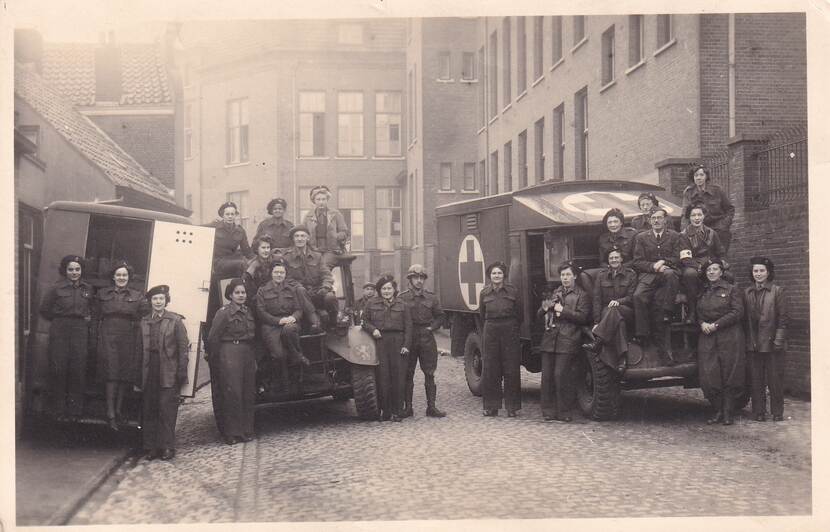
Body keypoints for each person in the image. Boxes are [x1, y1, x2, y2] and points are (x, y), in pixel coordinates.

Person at [39, 255, 95, 420]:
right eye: (70, 269)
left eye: (77, 269)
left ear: (82, 270)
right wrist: (59, 320)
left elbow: (93, 309)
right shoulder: (56, 288)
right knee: (59, 368)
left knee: (77, 369)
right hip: (60, 329)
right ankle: (58, 410)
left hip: (80, 330)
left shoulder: (88, 289)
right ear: (65, 270)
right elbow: (44, 309)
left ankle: (74, 411)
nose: (74, 272)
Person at [137, 285, 189, 460]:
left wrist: (181, 371)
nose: (158, 302)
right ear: (150, 302)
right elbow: (138, 348)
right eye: (155, 299)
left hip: (168, 368)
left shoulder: (175, 321)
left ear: (166, 301)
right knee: (150, 408)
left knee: (166, 409)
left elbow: (183, 348)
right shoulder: (144, 321)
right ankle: (151, 447)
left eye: (161, 299)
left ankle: (167, 447)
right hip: (149, 367)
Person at [631, 208, 692, 350]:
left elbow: (679, 257)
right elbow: (637, 261)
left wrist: (664, 262)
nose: (656, 221)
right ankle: (642, 334)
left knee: (670, 275)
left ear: (665, 220)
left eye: (659, 218)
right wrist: (653, 266)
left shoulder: (675, 236)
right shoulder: (641, 237)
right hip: (650, 274)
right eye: (653, 218)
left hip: (668, 271)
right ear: (650, 221)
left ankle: (667, 312)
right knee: (638, 296)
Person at [95, 261, 145, 430]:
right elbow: (95, 317)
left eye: (124, 275)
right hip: (107, 335)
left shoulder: (137, 296)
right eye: (118, 275)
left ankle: (118, 411)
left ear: (129, 277)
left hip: (128, 336)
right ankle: (110, 414)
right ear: (113, 277)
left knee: (124, 375)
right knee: (111, 374)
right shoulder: (102, 294)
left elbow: (143, 316)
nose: (121, 278)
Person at [538, 262, 590, 422]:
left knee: (561, 375)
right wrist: (545, 308)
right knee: (547, 376)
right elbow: (540, 314)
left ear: (574, 276)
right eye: (562, 275)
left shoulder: (582, 295)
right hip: (550, 339)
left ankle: (564, 411)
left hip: (568, 339)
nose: (565, 278)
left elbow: (583, 317)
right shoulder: (555, 293)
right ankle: (548, 411)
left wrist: (563, 311)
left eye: (568, 275)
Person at [207, 279, 257, 444]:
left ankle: (246, 430)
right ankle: (231, 433)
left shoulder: (248, 311)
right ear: (230, 295)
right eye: (237, 292)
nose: (241, 295)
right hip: (229, 352)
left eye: (243, 292)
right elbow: (213, 338)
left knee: (247, 392)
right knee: (232, 393)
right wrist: (217, 360)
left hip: (247, 353)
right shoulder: (223, 312)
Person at [696, 259, 745, 426]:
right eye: (708, 270)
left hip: (729, 335)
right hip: (708, 336)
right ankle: (717, 409)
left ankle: (727, 413)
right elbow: (697, 312)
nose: (711, 272)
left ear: (721, 272)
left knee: (729, 374)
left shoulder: (732, 290)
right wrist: (701, 323)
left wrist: (716, 325)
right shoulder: (703, 291)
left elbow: (737, 312)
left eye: (715, 269)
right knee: (709, 375)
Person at [744, 257, 790, 422]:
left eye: (762, 270)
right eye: (755, 271)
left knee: (774, 379)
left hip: (772, 343)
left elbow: (783, 319)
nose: (758, 274)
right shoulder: (747, 292)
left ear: (768, 272)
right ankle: (759, 411)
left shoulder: (778, 291)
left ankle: (777, 412)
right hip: (753, 344)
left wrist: (778, 341)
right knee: (756, 379)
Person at [362, 274, 412, 422]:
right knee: (383, 377)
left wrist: (406, 345)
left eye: (389, 288)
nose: (386, 291)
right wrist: (373, 330)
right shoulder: (371, 304)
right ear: (379, 290)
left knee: (398, 378)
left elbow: (409, 327)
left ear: (394, 289)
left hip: (398, 342)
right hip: (381, 341)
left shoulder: (403, 305)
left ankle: (397, 411)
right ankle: (385, 411)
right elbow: (364, 321)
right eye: (383, 289)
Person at [399, 264, 447, 418]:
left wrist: (431, 328)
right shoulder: (402, 298)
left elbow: (440, 316)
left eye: (422, 278)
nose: (419, 281)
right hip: (409, 337)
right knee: (408, 373)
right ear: (410, 279)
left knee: (430, 373)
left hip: (426, 337)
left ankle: (431, 407)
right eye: (416, 278)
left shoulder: (431, 297)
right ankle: (408, 408)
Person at [583, 247, 638, 373]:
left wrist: (619, 302)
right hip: (607, 313)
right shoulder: (601, 276)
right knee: (618, 321)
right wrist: (597, 322)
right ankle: (622, 359)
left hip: (626, 310)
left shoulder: (631, 274)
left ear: (621, 259)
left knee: (615, 310)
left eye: (616, 257)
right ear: (608, 261)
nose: (614, 260)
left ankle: (598, 340)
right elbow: (597, 299)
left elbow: (631, 297)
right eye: (611, 258)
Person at [479, 261, 523, 417]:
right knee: (491, 369)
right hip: (491, 331)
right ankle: (491, 406)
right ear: (489, 276)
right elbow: (482, 314)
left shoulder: (513, 291)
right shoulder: (484, 293)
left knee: (511, 368)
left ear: (504, 275)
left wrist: (511, 327)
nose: (496, 276)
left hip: (509, 330)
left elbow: (520, 313)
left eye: (499, 273)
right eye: (493, 273)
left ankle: (512, 407)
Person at [256, 260, 314, 369]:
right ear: (271, 273)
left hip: (289, 323)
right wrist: (278, 321)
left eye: (282, 272)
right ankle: (297, 356)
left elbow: (299, 309)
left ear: (285, 274)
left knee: (289, 329)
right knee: (279, 355)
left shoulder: (291, 289)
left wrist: (293, 317)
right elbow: (261, 313)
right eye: (276, 272)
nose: (279, 275)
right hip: (271, 326)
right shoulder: (262, 290)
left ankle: (297, 359)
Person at [281, 225, 338, 329]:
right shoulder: (287, 257)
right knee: (301, 291)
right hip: (298, 294)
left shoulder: (317, 256)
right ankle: (315, 320)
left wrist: (325, 287)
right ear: (293, 239)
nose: (300, 239)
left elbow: (326, 275)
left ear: (307, 238)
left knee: (330, 297)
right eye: (297, 236)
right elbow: (286, 278)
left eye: (302, 236)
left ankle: (333, 325)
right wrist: (298, 287)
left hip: (316, 292)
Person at [680, 202, 728, 318]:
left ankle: (723, 309)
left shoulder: (712, 233)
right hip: (694, 266)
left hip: (711, 264)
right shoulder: (684, 235)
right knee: (690, 274)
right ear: (689, 218)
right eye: (693, 215)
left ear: (704, 216)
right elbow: (686, 259)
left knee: (729, 275)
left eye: (699, 215)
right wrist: (700, 266)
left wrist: (722, 263)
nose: (697, 218)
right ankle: (692, 311)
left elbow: (721, 252)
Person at [681, 165, 735, 252]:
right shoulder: (689, 192)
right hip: (699, 228)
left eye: (701, 175)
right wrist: (684, 231)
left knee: (720, 256)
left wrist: (724, 225)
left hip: (718, 227)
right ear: (693, 178)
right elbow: (685, 214)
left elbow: (729, 209)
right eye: (696, 175)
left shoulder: (717, 190)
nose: (699, 178)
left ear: (706, 176)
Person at [302, 185, 350, 270]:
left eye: (323, 199)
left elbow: (344, 231)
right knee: (309, 267)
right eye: (318, 199)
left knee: (324, 266)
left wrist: (336, 236)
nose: (321, 202)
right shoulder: (308, 216)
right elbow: (303, 233)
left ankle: (326, 283)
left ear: (327, 200)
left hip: (331, 250)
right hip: (314, 250)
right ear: (314, 201)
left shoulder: (335, 214)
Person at [208, 201, 254, 279]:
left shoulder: (240, 231)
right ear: (223, 215)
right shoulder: (214, 227)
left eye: (232, 214)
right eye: (227, 214)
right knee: (241, 263)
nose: (230, 216)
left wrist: (258, 259)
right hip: (217, 262)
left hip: (233, 261)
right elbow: (197, 230)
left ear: (235, 215)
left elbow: (247, 251)